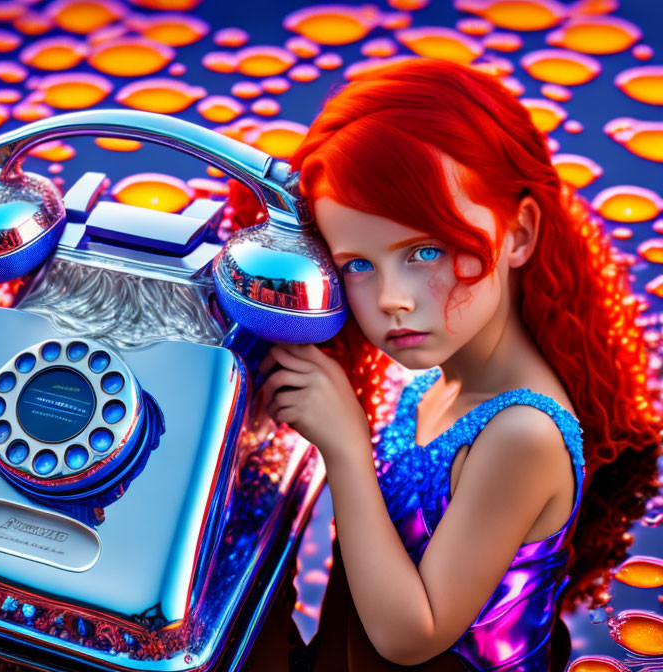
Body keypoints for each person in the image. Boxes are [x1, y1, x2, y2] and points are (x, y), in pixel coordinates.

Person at [233, 58, 663, 671]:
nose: (391, 299)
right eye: (357, 263)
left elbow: (413, 635)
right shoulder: (432, 381)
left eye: (425, 251)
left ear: (518, 234)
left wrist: (347, 448)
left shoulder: (523, 436)